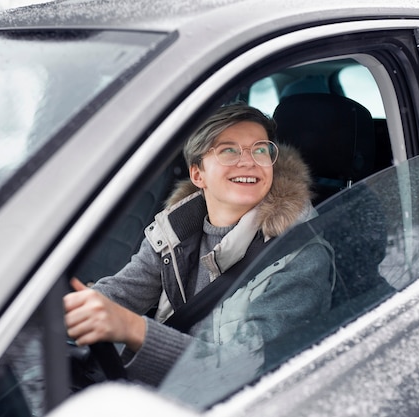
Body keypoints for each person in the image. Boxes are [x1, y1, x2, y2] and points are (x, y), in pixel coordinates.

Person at [63, 103, 334, 387]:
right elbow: (121, 292)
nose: (248, 162)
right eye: (229, 150)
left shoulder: (299, 256)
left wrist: (132, 328)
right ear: (197, 174)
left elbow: (243, 370)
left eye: (260, 150)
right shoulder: (173, 233)